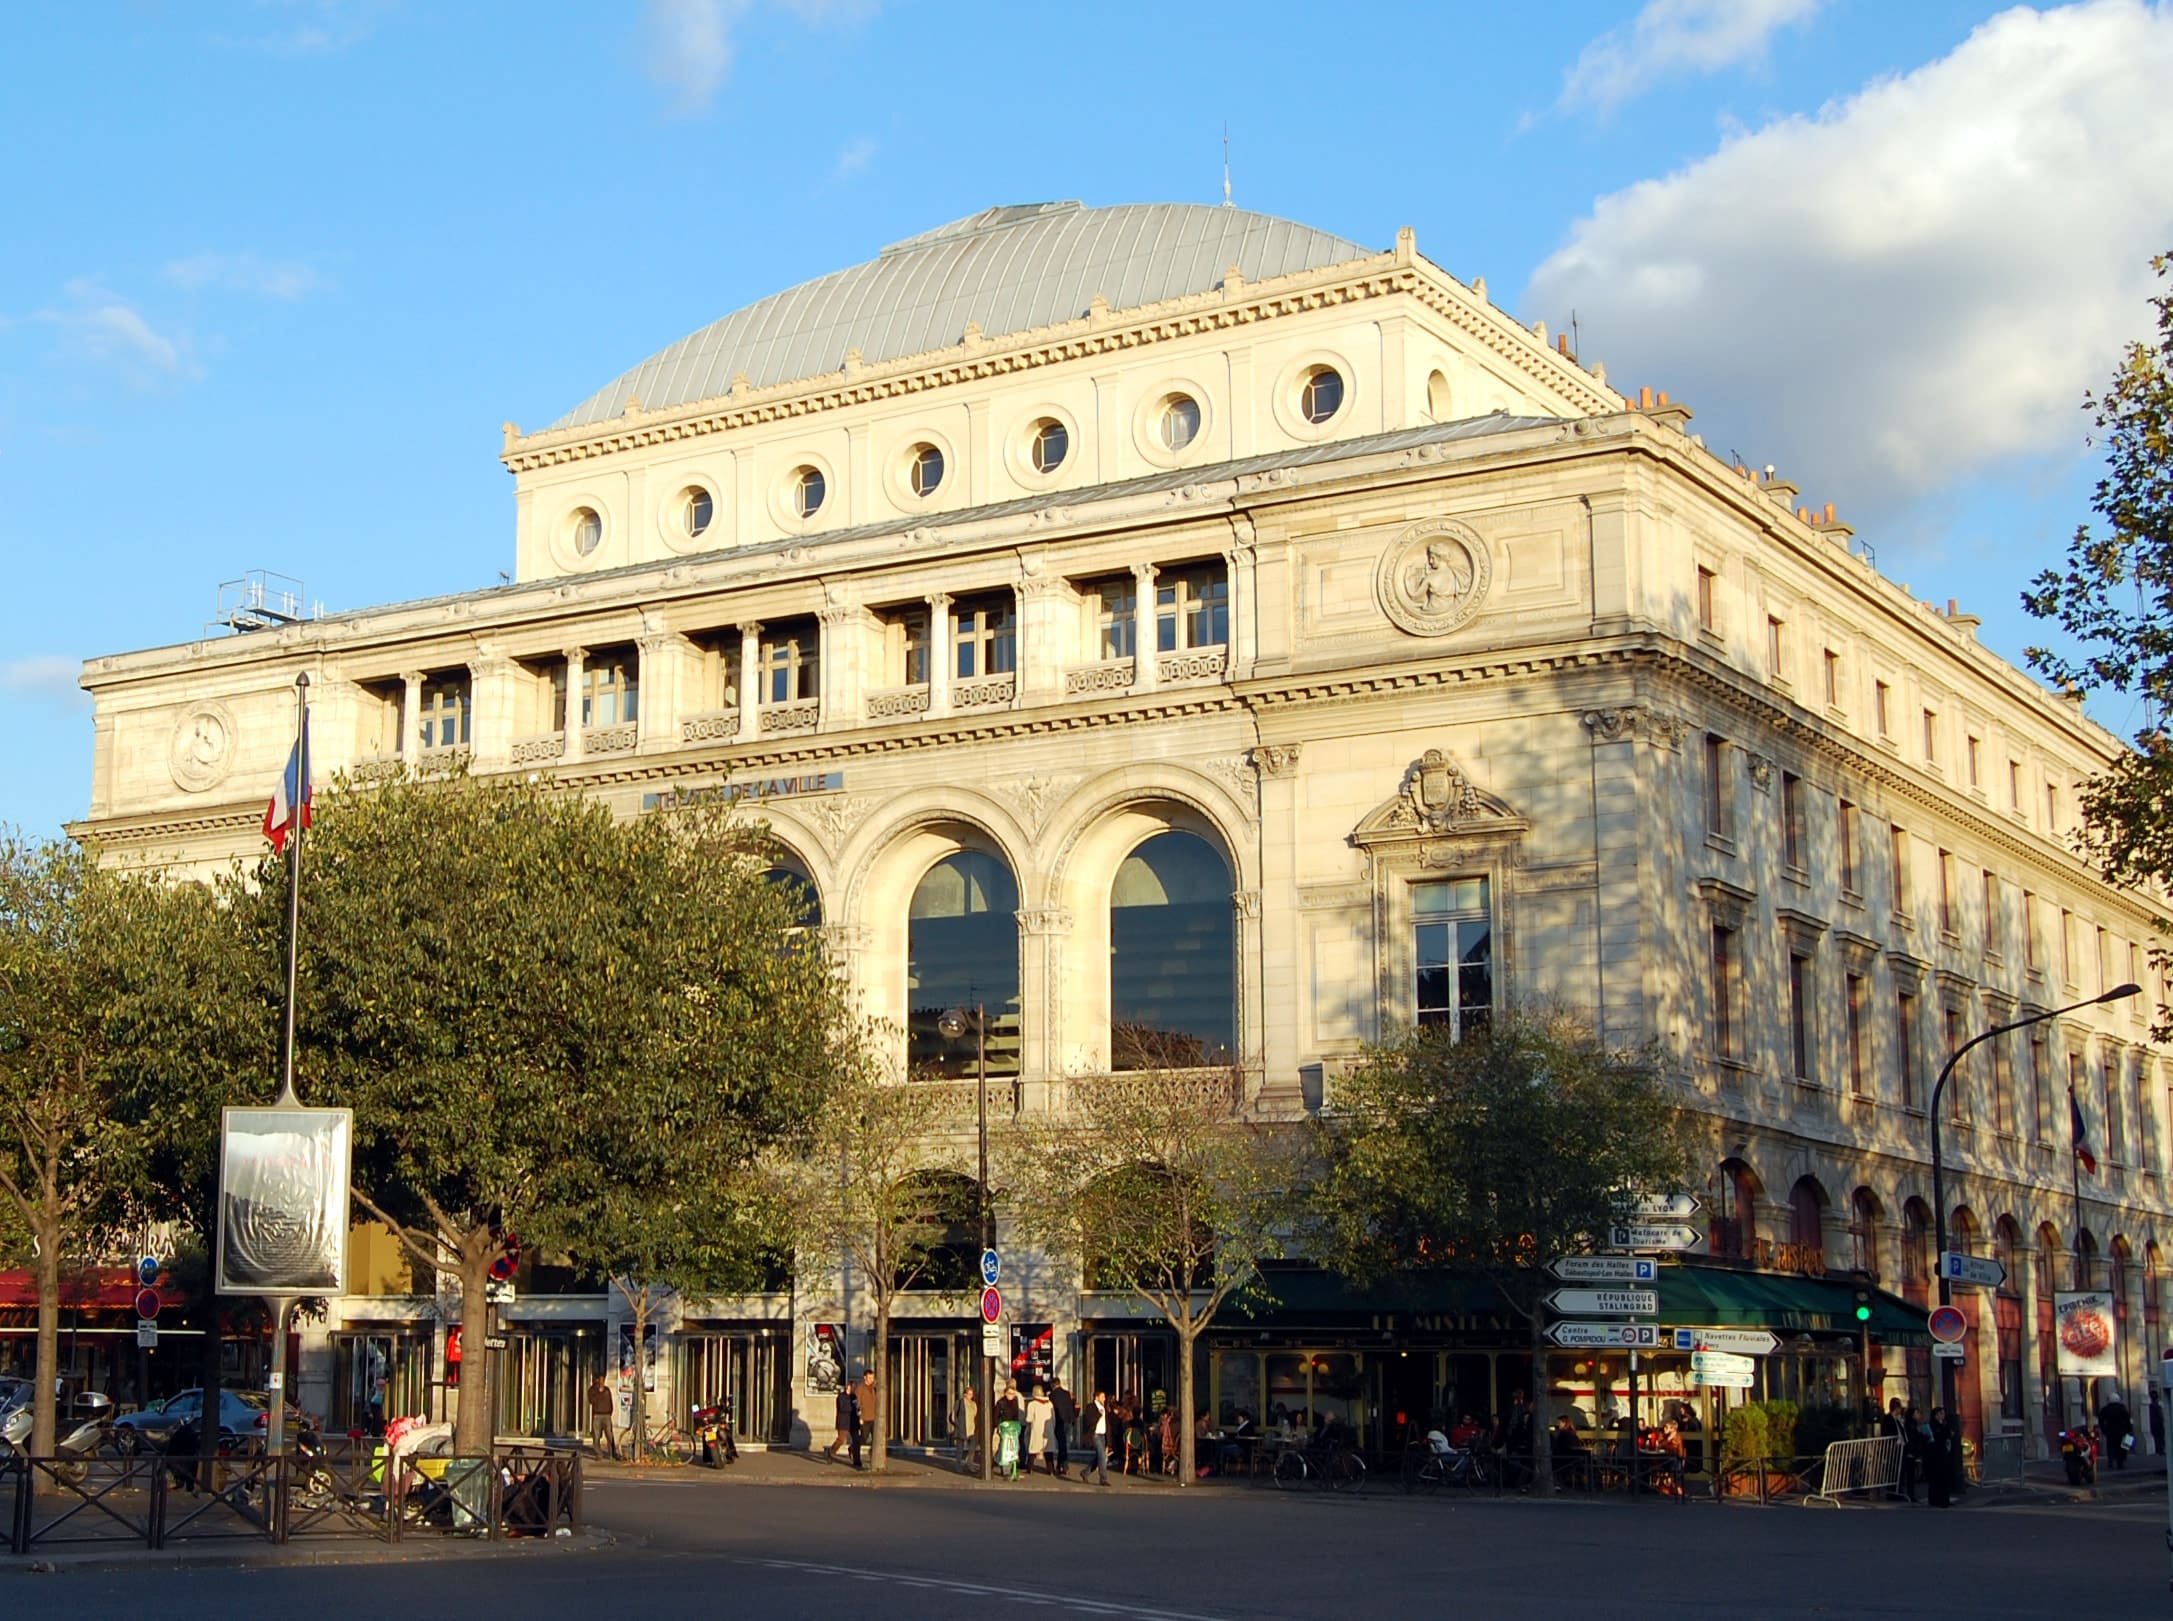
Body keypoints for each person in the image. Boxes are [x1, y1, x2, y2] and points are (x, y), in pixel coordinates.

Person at [1926, 1407, 1958, 1508]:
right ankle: (1937, 1500)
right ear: (1936, 1415)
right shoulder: (1933, 1425)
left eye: (1943, 1413)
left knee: (1944, 1477)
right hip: (1936, 1454)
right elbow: (1939, 1435)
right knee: (1938, 1478)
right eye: (1940, 1414)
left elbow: (1949, 1433)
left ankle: (1945, 1499)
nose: (1943, 1415)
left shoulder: (1944, 1424)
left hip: (1943, 1452)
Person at [1080, 1389, 1112, 1485]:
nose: (1104, 1399)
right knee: (1102, 1456)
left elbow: (1107, 1424)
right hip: (1095, 1434)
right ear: (1096, 1397)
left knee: (1099, 1457)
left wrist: (1109, 1440)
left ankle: (1085, 1472)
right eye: (1102, 1397)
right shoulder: (1091, 1407)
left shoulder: (1104, 1408)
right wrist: (1098, 1414)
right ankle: (1103, 1478)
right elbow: (1090, 1421)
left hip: (1103, 1434)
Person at [2098, 1390, 2134, 1470]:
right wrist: (2129, 1430)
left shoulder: (2106, 1409)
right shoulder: (2122, 1408)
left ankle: (2110, 1461)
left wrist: (2104, 1430)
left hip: (2110, 1432)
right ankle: (2120, 1463)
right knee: (2121, 1447)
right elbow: (2127, 1419)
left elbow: (2101, 1420)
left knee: (2110, 1447)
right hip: (2121, 1431)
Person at [1025, 1384, 1056, 1477]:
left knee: (1033, 1449)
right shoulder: (1050, 1404)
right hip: (1048, 1429)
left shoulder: (1032, 1404)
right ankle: (1051, 1469)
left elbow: (1029, 1419)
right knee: (1048, 1450)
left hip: (1037, 1429)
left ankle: (1029, 1468)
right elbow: (1053, 1418)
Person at [1048, 1378, 1076, 1477]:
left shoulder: (1052, 1395)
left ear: (1053, 1385)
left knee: (1062, 1445)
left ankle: (1064, 1467)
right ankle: (1060, 1466)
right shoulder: (1067, 1393)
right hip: (1068, 1420)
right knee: (1064, 1445)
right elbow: (1071, 1406)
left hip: (1059, 1422)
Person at [587, 1373, 618, 1460]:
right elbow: (591, 1400)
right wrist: (597, 1391)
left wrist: (610, 1411)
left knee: (609, 1435)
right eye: (600, 1380)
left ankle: (612, 1454)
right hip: (597, 1415)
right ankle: (599, 1454)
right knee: (596, 1436)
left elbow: (610, 1402)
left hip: (607, 1415)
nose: (602, 1382)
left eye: (603, 1380)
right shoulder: (593, 1390)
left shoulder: (607, 1390)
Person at [825, 1379, 854, 1465]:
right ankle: (831, 1452)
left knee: (856, 1439)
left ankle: (852, 1449)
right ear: (848, 1387)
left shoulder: (854, 1396)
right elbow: (842, 1408)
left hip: (852, 1421)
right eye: (851, 1387)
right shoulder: (841, 1396)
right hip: (843, 1421)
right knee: (841, 1439)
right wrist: (852, 1408)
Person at [857, 1369, 879, 1466]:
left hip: (874, 1417)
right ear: (865, 1377)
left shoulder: (875, 1388)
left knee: (875, 1439)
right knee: (864, 1438)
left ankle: (873, 1457)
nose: (871, 1380)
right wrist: (860, 1417)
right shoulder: (860, 1388)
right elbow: (857, 1403)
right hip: (865, 1417)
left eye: (872, 1378)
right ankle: (853, 1448)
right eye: (869, 1378)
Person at [958, 1383, 980, 1472]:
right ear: (965, 1394)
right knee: (960, 1448)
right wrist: (958, 1425)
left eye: (972, 1394)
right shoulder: (960, 1403)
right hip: (962, 1428)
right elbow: (952, 1416)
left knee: (972, 1447)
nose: (971, 1396)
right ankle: (958, 1465)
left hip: (972, 1428)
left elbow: (975, 1414)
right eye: (969, 1394)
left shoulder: (974, 1404)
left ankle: (969, 1463)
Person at [2151, 1389, 2165, 1456]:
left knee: (2157, 1438)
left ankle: (2159, 1450)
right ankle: (2160, 1450)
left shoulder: (2151, 1405)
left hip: (2153, 1424)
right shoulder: (2157, 1405)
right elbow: (2160, 1415)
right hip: (2158, 1424)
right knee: (2160, 1438)